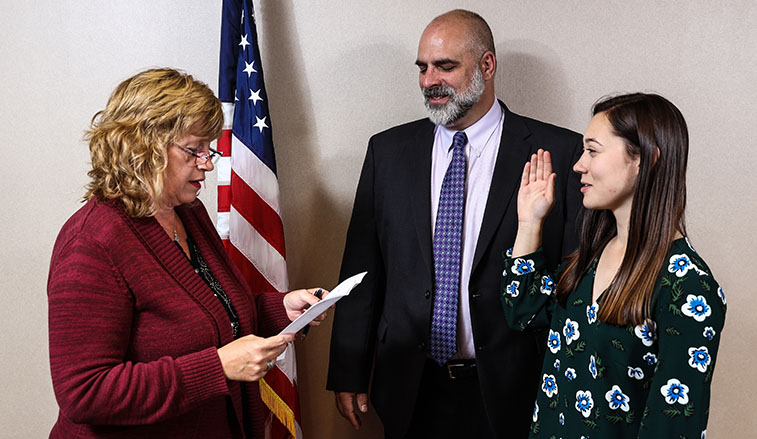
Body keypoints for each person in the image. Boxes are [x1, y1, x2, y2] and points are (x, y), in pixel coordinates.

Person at [327, 9, 583, 439]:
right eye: (423, 68)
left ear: (487, 64)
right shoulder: (388, 151)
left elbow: (574, 278)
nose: (429, 80)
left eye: (445, 66)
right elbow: (362, 271)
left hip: (514, 387)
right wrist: (349, 369)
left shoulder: (557, 151)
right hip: (410, 385)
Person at [47, 68, 328, 439]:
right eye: (195, 149)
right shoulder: (92, 242)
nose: (208, 162)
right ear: (142, 145)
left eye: (208, 149)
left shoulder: (187, 213)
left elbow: (212, 318)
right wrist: (216, 367)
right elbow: (84, 393)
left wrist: (281, 308)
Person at [501, 93, 726, 438]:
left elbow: (670, 428)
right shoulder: (590, 258)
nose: (579, 164)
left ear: (645, 159)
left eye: (593, 150)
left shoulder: (687, 286)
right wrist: (529, 223)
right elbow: (523, 310)